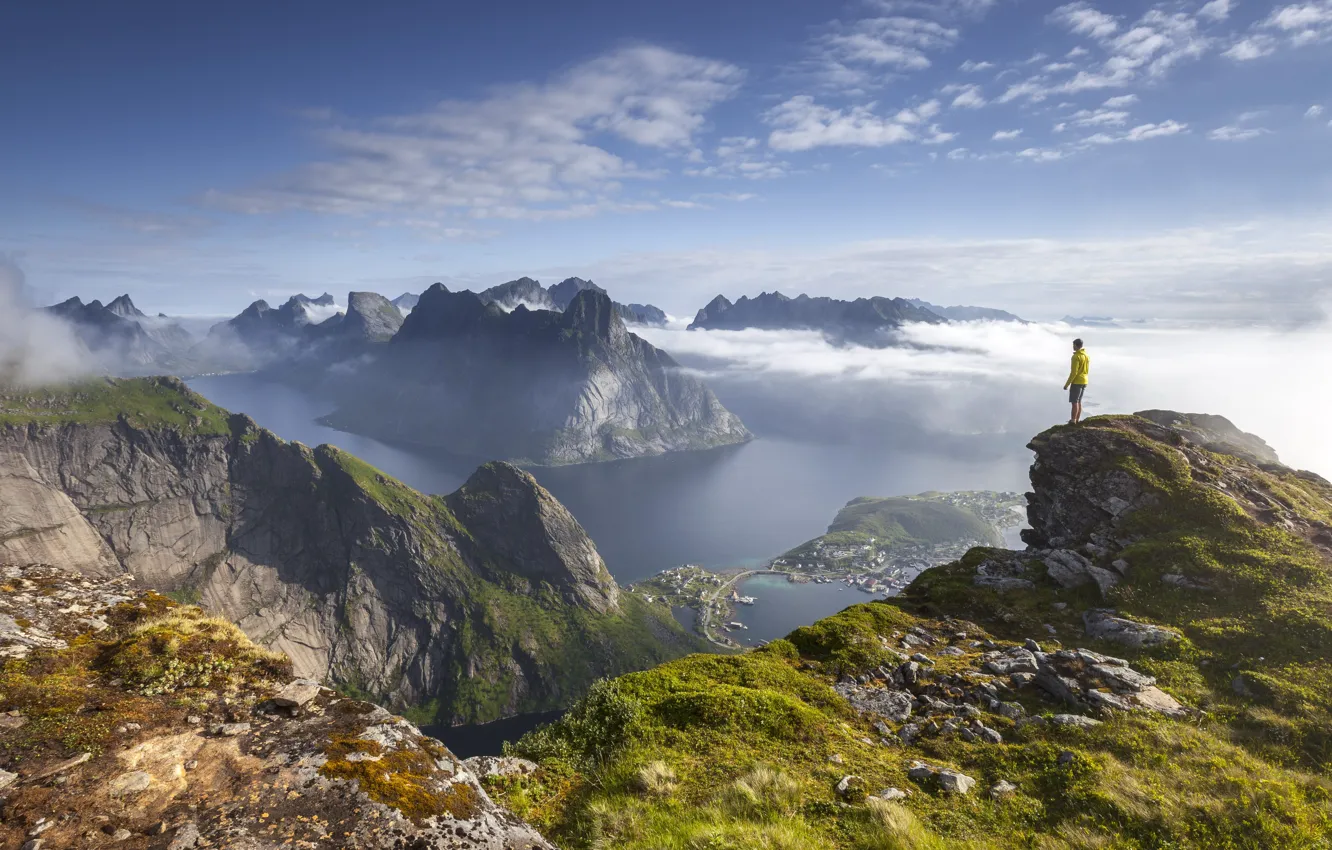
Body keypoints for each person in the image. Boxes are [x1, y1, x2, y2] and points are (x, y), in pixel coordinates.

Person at [1063, 338, 1090, 424]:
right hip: (1084, 380)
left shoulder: (1076, 356)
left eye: (1073, 345)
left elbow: (1074, 372)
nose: (1073, 347)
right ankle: (1077, 419)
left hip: (1077, 381)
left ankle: (1073, 420)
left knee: (1074, 402)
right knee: (1079, 401)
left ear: (1075, 345)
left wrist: (1067, 384)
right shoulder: (1086, 355)